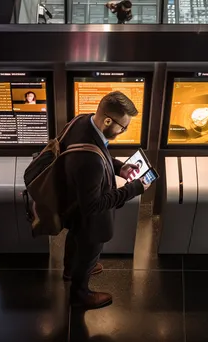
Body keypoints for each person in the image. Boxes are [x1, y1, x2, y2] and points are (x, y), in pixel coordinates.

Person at [60, 91, 151, 310]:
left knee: (74, 239)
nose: (123, 131)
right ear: (108, 120)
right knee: (90, 252)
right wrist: (134, 188)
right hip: (88, 219)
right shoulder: (89, 161)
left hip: (71, 200)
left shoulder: (82, 121)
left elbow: (95, 151)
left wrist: (120, 167)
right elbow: (94, 206)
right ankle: (79, 294)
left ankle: (69, 270)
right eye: (123, 127)